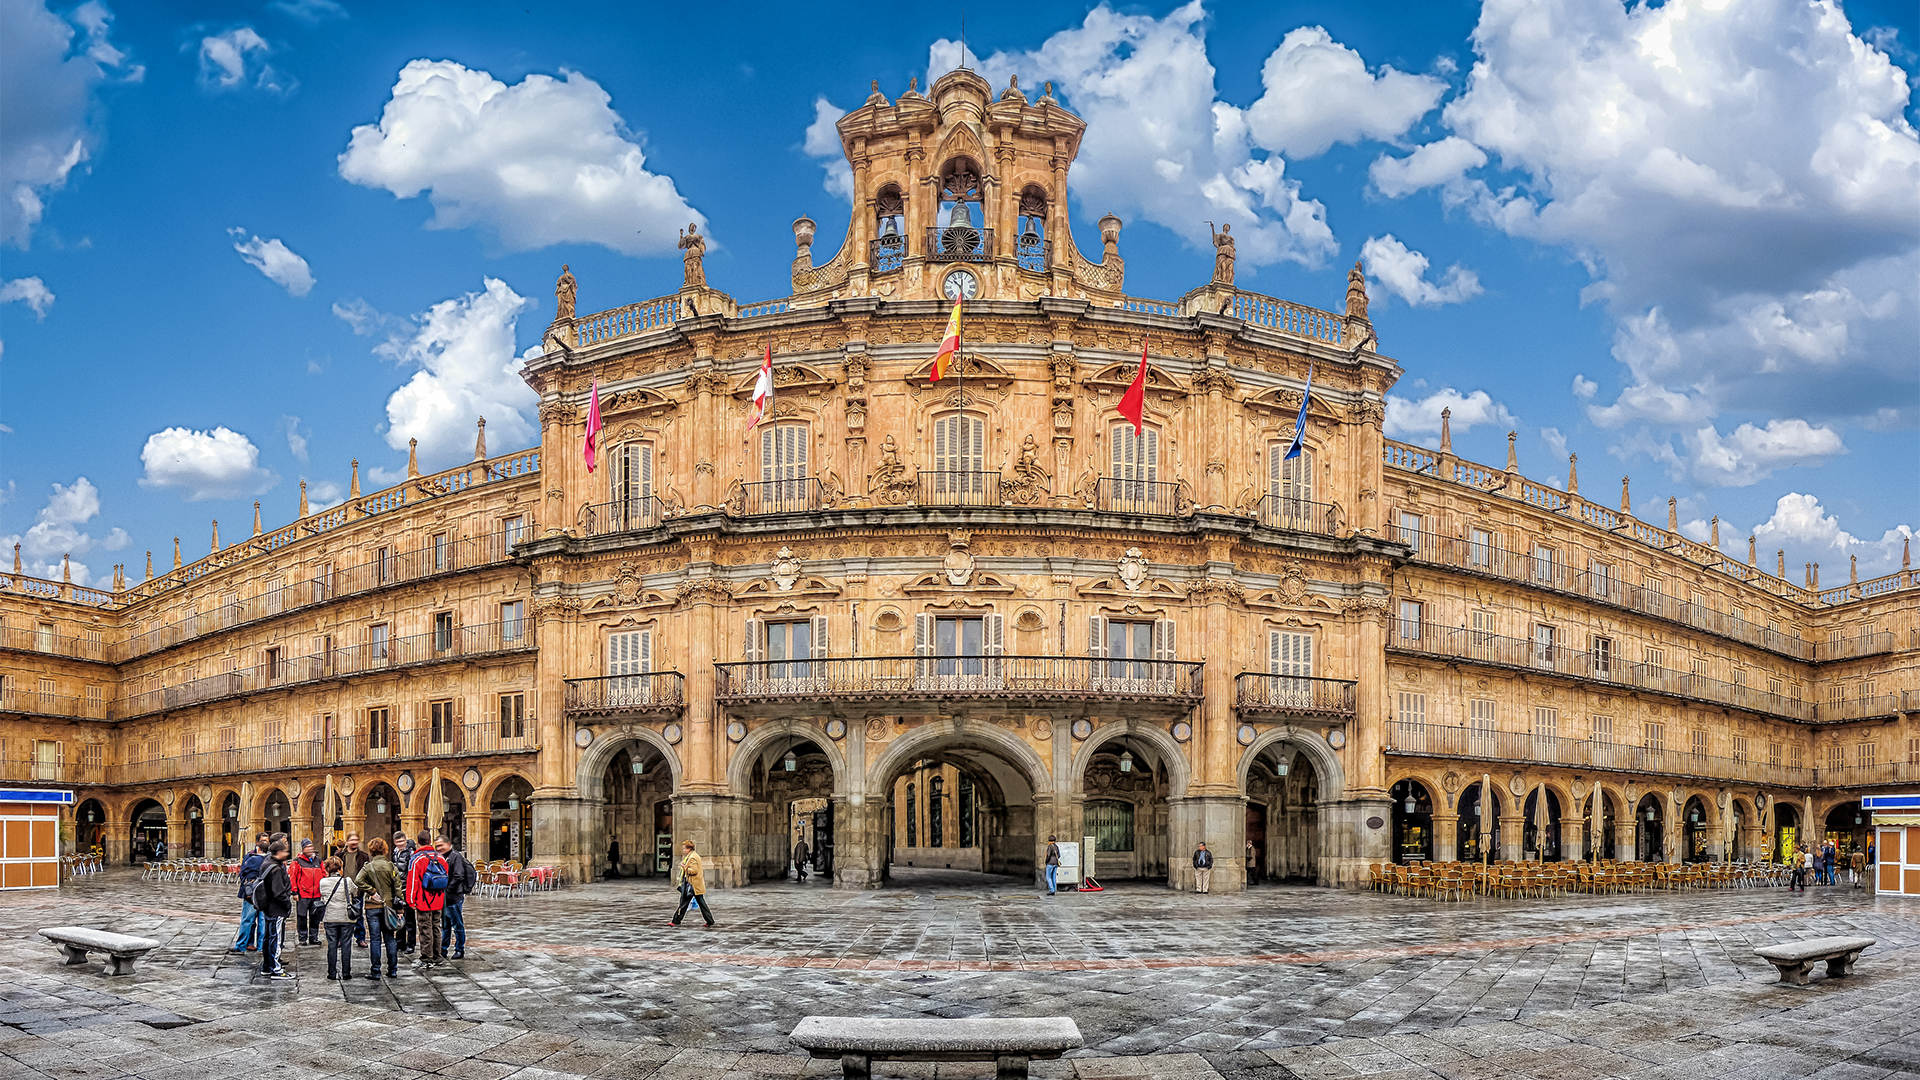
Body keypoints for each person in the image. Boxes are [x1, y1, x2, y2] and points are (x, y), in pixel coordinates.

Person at [354, 838, 401, 980]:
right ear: (385, 850)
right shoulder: (391, 866)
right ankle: (392, 970)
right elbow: (398, 889)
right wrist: (400, 910)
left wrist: (372, 891)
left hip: (372, 907)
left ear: (371, 850)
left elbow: (358, 880)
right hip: (390, 907)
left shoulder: (368, 867)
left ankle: (375, 971)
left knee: (375, 939)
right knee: (390, 939)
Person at [405, 831, 450, 968]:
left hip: (423, 900)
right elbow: (446, 876)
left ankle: (426, 957)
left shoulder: (417, 858)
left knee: (425, 928)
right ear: (430, 841)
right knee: (436, 927)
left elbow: (413, 881)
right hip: (438, 899)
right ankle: (437, 955)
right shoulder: (441, 858)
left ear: (418, 842)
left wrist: (411, 900)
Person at [256, 839, 295, 980]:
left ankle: (267, 966)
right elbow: (278, 892)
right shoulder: (276, 868)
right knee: (276, 938)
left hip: (267, 907)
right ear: (278, 852)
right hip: (276, 908)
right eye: (285, 851)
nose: (287, 853)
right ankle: (276, 969)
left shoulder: (266, 864)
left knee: (268, 937)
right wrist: (287, 904)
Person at [316, 856, 359, 981]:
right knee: (346, 944)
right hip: (346, 917)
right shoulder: (347, 881)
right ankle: (346, 972)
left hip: (330, 917)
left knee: (332, 945)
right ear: (340, 868)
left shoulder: (322, 882)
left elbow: (323, 898)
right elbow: (355, 892)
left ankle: (332, 973)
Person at [437, 836, 476, 960]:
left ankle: (460, 949)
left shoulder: (455, 856)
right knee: (445, 924)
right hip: (444, 897)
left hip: (454, 896)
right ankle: (443, 949)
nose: (439, 848)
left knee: (456, 924)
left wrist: (448, 890)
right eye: (437, 846)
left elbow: (458, 875)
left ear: (448, 844)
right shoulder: (441, 857)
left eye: (441, 845)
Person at [230, 833, 270, 953]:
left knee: (249, 920)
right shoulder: (271, 860)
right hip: (263, 895)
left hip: (252, 894)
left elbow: (243, 873)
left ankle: (243, 945)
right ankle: (258, 945)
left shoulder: (251, 858)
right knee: (260, 921)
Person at [671, 840, 714, 928]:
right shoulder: (692, 855)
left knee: (684, 903)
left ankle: (676, 921)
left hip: (692, 885)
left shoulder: (692, 857)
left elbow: (694, 871)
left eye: (684, 848)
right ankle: (709, 920)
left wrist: (685, 867)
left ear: (689, 848)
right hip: (695, 885)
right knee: (700, 903)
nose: (683, 850)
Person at [291, 839, 325, 946]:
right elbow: (293, 877)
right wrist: (295, 892)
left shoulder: (319, 861)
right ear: (303, 848)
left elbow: (324, 874)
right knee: (302, 916)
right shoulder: (297, 861)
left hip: (316, 894)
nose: (310, 849)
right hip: (303, 893)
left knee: (315, 916)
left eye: (311, 846)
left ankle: (313, 937)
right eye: (307, 847)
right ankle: (302, 938)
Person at [338, 833, 368, 947]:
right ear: (347, 841)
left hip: (358, 890)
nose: (354, 842)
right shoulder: (340, 855)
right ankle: (342, 938)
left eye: (356, 839)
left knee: (358, 914)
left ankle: (360, 938)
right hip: (343, 889)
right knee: (342, 914)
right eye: (352, 840)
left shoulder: (363, 856)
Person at [391, 832, 417, 954]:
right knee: (399, 917)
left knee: (410, 918)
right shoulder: (395, 852)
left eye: (402, 841)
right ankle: (400, 942)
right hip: (398, 888)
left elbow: (411, 869)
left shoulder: (410, 852)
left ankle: (411, 944)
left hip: (407, 888)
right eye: (398, 842)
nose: (400, 844)